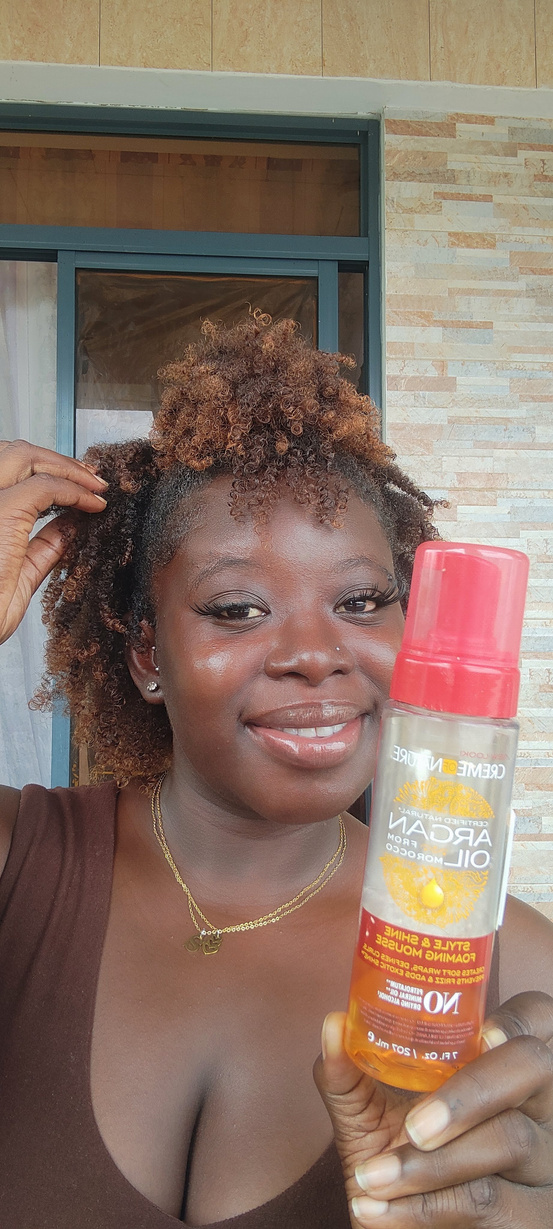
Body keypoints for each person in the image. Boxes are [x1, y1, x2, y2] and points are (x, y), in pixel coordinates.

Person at [0, 313, 551, 1229]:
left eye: (361, 600)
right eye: (238, 607)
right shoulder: (21, 865)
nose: (313, 653)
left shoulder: (515, 969)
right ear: (146, 652)